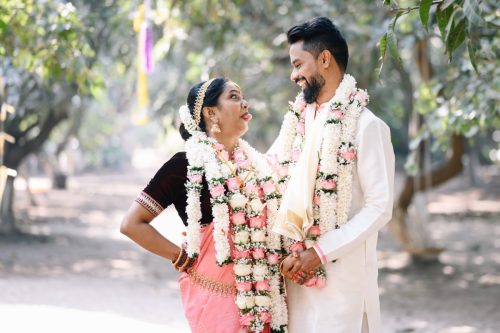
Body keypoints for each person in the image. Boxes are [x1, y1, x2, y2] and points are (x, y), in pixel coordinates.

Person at [121, 77, 288, 333]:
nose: (244, 103)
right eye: (233, 97)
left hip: (262, 299)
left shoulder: (259, 166)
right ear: (211, 113)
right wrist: (179, 256)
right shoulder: (185, 165)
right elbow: (131, 224)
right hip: (214, 302)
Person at [270, 17, 395, 333]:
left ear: (324, 59)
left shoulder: (367, 126)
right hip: (296, 274)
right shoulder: (297, 123)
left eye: (299, 64)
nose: (293, 75)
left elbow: (380, 207)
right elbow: (269, 170)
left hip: (343, 283)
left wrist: (320, 252)